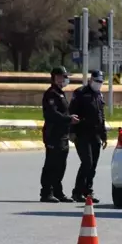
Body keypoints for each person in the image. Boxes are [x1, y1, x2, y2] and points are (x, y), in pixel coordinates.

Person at [39, 66, 79, 203]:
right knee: (51, 163)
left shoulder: (60, 93)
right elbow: (52, 114)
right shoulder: (51, 94)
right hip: (53, 134)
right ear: (55, 77)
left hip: (63, 134)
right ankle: (46, 192)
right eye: (63, 76)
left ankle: (58, 191)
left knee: (61, 164)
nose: (65, 79)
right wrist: (69, 119)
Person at [69, 70, 107, 203]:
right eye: (97, 81)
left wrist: (104, 135)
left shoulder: (99, 95)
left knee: (93, 165)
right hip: (82, 133)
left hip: (95, 134)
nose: (98, 84)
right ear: (91, 80)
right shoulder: (80, 93)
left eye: (101, 82)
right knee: (87, 162)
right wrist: (72, 131)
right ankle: (77, 191)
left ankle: (88, 191)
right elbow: (72, 112)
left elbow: (101, 115)